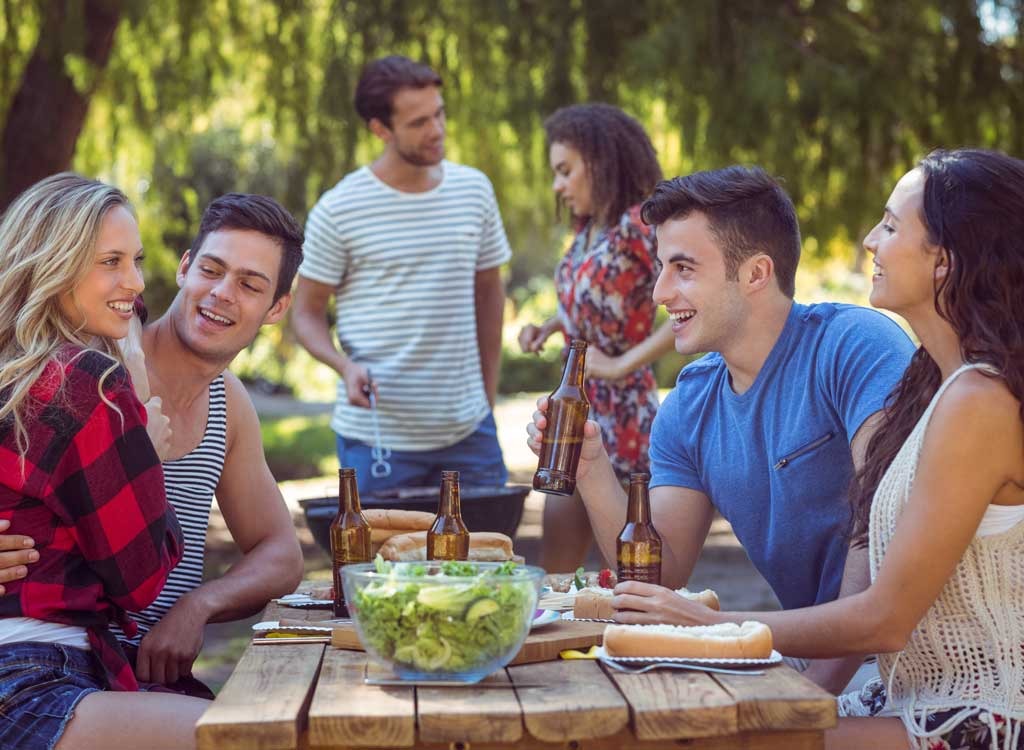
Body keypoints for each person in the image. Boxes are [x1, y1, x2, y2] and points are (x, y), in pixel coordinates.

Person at [612, 149, 1024, 750]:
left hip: (988, 713)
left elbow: (884, 619)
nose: (868, 240)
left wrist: (713, 628)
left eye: (889, 225)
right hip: (915, 697)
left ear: (945, 260)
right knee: (685, 723)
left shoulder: (976, 399)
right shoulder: (935, 385)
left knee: (715, 740)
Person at [528, 165, 917, 693]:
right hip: (814, 660)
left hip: (909, 666)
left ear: (755, 274)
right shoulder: (690, 403)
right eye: (663, 268)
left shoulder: (856, 347)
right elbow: (660, 577)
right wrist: (592, 470)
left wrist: (813, 698)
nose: (660, 293)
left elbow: (882, 523)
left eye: (683, 268)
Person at [0, 192, 307, 694]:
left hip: (140, 680)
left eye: (250, 284)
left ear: (276, 308)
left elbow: (281, 553)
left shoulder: (229, 404)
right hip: (60, 667)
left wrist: (198, 606)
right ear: (185, 268)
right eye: (211, 269)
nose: (222, 293)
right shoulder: (97, 360)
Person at [0, 173, 204, 748]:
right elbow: (139, 580)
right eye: (109, 262)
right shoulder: (89, 383)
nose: (135, 283)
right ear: (53, 263)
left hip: (38, 672)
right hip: (33, 677)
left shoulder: (21, 376)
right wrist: (150, 458)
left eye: (135, 261)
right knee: (256, 736)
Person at [292, 55, 511, 493]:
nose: (437, 130)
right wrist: (342, 365)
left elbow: (490, 294)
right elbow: (306, 313)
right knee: (377, 564)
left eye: (439, 113)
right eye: (418, 122)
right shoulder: (338, 210)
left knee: (491, 560)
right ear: (381, 129)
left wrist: (487, 395)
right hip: (376, 441)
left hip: (470, 435)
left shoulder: (474, 191)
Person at [518, 103, 674, 572]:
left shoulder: (641, 225)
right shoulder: (587, 232)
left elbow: (689, 309)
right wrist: (552, 324)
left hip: (626, 416)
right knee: (556, 569)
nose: (557, 186)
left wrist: (623, 363)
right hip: (574, 409)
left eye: (565, 171)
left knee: (634, 568)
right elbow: (594, 304)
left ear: (600, 162)